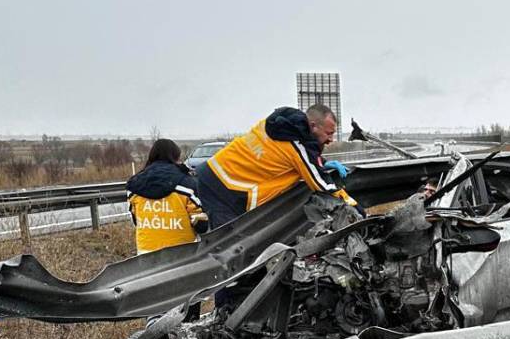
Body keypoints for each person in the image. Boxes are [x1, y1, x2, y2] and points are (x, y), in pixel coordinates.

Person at [195, 104, 357, 230]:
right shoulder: (296, 145)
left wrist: (319, 161)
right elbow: (323, 185)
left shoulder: (280, 124)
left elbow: (281, 154)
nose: (332, 139)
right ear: (313, 126)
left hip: (214, 174)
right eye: (329, 133)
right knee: (230, 244)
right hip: (224, 187)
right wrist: (355, 207)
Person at [127, 138, 207, 254]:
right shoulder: (186, 183)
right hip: (183, 253)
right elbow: (201, 224)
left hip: (146, 252)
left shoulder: (134, 185)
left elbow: (135, 220)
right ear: (175, 156)